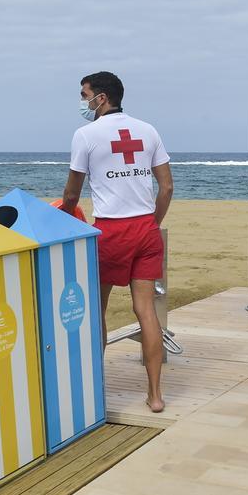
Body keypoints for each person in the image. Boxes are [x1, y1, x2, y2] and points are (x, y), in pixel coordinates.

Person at [60, 71, 174, 413]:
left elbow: (71, 193)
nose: (82, 102)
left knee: (98, 309)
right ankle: (155, 396)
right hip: (146, 230)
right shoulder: (148, 130)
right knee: (146, 312)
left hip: (111, 231)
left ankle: (95, 389)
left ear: (101, 98)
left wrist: (64, 219)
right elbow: (166, 187)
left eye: (85, 95)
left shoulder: (86, 135)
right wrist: (151, 225)